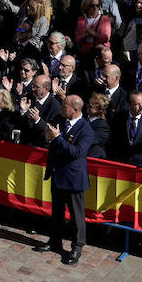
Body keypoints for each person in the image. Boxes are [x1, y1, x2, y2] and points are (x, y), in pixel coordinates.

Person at [34, 94, 94, 266]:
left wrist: (58, 138)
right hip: (58, 174)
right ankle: (54, 241)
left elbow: (77, 153)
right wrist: (48, 137)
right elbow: (49, 138)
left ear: (75, 110)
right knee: (57, 212)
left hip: (74, 178)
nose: (61, 109)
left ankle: (77, 246)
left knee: (76, 215)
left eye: (64, 106)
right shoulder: (59, 119)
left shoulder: (85, 129)